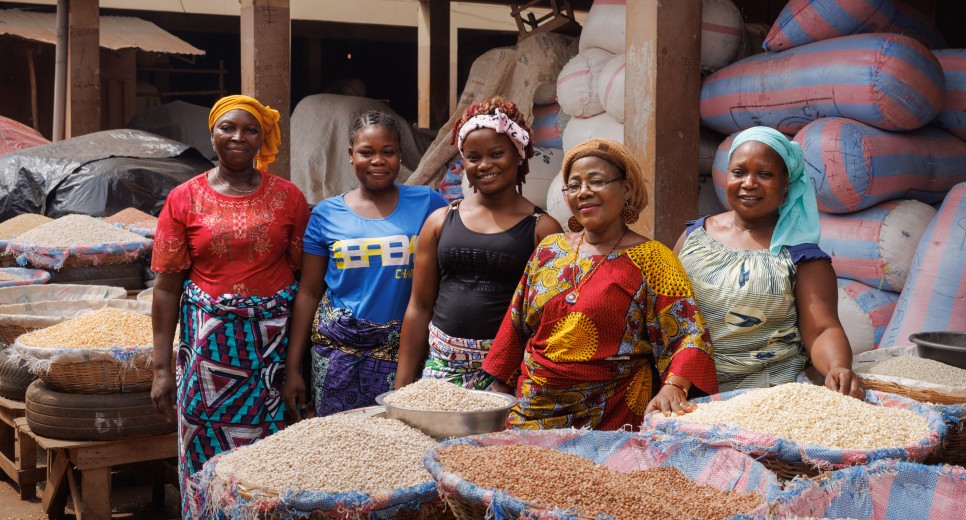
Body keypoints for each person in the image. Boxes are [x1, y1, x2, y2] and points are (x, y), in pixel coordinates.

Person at [481, 138, 719, 430]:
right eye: (574, 185)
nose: (583, 192)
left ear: (626, 189)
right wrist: (498, 393)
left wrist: (674, 387)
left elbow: (689, 334)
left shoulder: (653, 259)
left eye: (596, 181)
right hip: (532, 411)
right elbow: (515, 325)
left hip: (613, 418)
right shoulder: (549, 249)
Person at [149, 95, 310, 514]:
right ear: (212, 134)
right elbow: (166, 288)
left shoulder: (289, 197)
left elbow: (303, 282)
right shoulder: (184, 198)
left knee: (271, 455)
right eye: (228, 127)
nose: (238, 137)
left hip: (271, 354)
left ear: (262, 139)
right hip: (207, 357)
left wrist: (295, 367)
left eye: (250, 130)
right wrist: (162, 369)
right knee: (203, 451)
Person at [675, 126, 863, 397]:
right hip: (684, 389)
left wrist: (837, 368)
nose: (749, 183)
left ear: (786, 184)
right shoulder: (694, 237)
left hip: (766, 397)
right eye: (739, 172)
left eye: (764, 174)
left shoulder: (801, 258)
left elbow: (822, 330)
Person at [283, 111, 448, 417]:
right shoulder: (326, 215)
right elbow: (308, 293)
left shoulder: (428, 203)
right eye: (366, 152)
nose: (378, 161)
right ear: (351, 155)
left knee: (403, 439)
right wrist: (293, 367)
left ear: (400, 155)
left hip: (406, 357)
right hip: (338, 359)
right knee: (341, 441)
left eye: (388, 152)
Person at [394, 98, 561, 390]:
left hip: (508, 375)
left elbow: (549, 319)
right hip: (442, 371)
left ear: (519, 154)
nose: (485, 165)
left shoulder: (542, 230)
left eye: (496, 154)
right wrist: (402, 387)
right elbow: (419, 307)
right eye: (473, 157)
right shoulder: (440, 221)